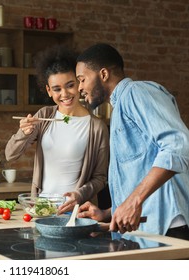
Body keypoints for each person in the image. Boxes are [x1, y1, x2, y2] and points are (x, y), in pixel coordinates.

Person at [76, 43, 189, 240]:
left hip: (170, 228)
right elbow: (139, 175)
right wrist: (107, 213)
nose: (79, 88)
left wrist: (132, 202)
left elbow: (178, 145)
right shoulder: (119, 108)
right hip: (150, 228)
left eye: (82, 79)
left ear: (103, 74)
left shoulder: (136, 92)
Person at [5, 45, 110, 213]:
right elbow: (10, 155)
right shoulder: (43, 116)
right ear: (48, 91)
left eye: (70, 85)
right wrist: (23, 133)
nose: (65, 94)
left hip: (75, 210)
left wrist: (79, 194)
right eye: (56, 89)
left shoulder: (97, 127)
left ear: (79, 84)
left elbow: (100, 178)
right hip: (41, 208)